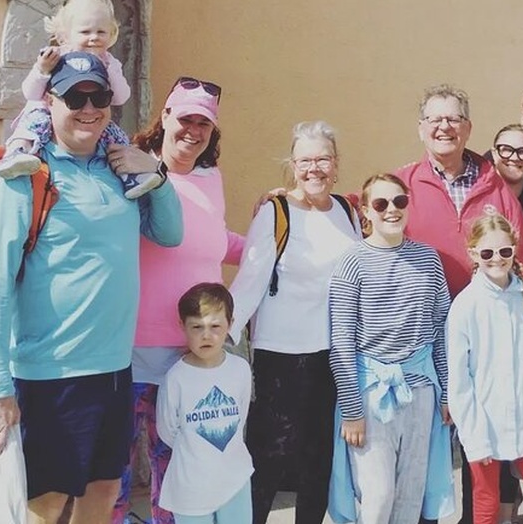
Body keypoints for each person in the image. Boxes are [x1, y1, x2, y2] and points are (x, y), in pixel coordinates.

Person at [0, 52, 182, 523]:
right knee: (47, 503)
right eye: (75, 96)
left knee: (105, 490)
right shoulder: (23, 174)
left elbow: (169, 233)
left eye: (99, 96)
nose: (89, 108)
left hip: (113, 369)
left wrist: (157, 176)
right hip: (49, 374)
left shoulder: (118, 168)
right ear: (51, 100)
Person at [395, 85, 523, 524]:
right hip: (424, 337)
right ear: (421, 129)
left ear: (468, 128)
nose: (444, 126)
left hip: (488, 333)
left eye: (454, 118)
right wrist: (292, 200)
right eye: (435, 119)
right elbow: (364, 221)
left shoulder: (496, 188)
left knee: (489, 438)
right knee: (430, 438)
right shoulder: (401, 183)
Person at [107, 76, 244, 524]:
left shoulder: (211, 178)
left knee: (178, 471)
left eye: (204, 123)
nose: (194, 130)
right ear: (165, 116)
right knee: (115, 473)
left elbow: (213, 239)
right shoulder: (131, 168)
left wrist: (275, 237)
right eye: (186, 118)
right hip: (128, 352)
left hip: (192, 356)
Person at [228, 120, 361, 524]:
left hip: (333, 354)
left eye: (323, 159)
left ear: (336, 164)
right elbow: (250, 279)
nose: (314, 169)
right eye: (305, 160)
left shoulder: (346, 210)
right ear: (292, 165)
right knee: (270, 456)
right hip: (282, 353)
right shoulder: (275, 212)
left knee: (318, 459)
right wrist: (221, 338)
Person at [328, 173, 454, 523]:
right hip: (371, 392)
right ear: (366, 211)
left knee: (412, 494)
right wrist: (352, 410)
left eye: (399, 201)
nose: (392, 210)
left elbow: (440, 330)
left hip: (421, 388)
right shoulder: (351, 262)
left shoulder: (428, 260)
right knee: (378, 495)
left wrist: (446, 393)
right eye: (381, 204)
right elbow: (340, 340)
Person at [448, 212, 523, 524]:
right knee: (486, 509)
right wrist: (474, 436)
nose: (497, 259)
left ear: (514, 250)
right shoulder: (465, 306)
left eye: (504, 251)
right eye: (487, 253)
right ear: (474, 254)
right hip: (484, 428)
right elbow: (460, 381)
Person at [0, 0, 160, 198]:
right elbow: (30, 93)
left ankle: (128, 177)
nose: (94, 38)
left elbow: (121, 97)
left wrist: (109, 71)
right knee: (32, 125)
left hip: (90, 115)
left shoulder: (109, 62)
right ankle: (17, 153)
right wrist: (42, 70)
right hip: (46, 110)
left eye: (101, 32)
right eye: (85, 32)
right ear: (65, 35)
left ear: (112, 33)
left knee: (118, 137)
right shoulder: (57, 56)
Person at [156, 283, 253, 524]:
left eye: (215, 326)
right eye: (197, 327)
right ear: (183, 327)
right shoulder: (176, 377)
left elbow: (241, 415)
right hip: (191, 488)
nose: (206, 335)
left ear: (230, 324)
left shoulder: (240, 369)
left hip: (235, 481)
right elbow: (167, 430)